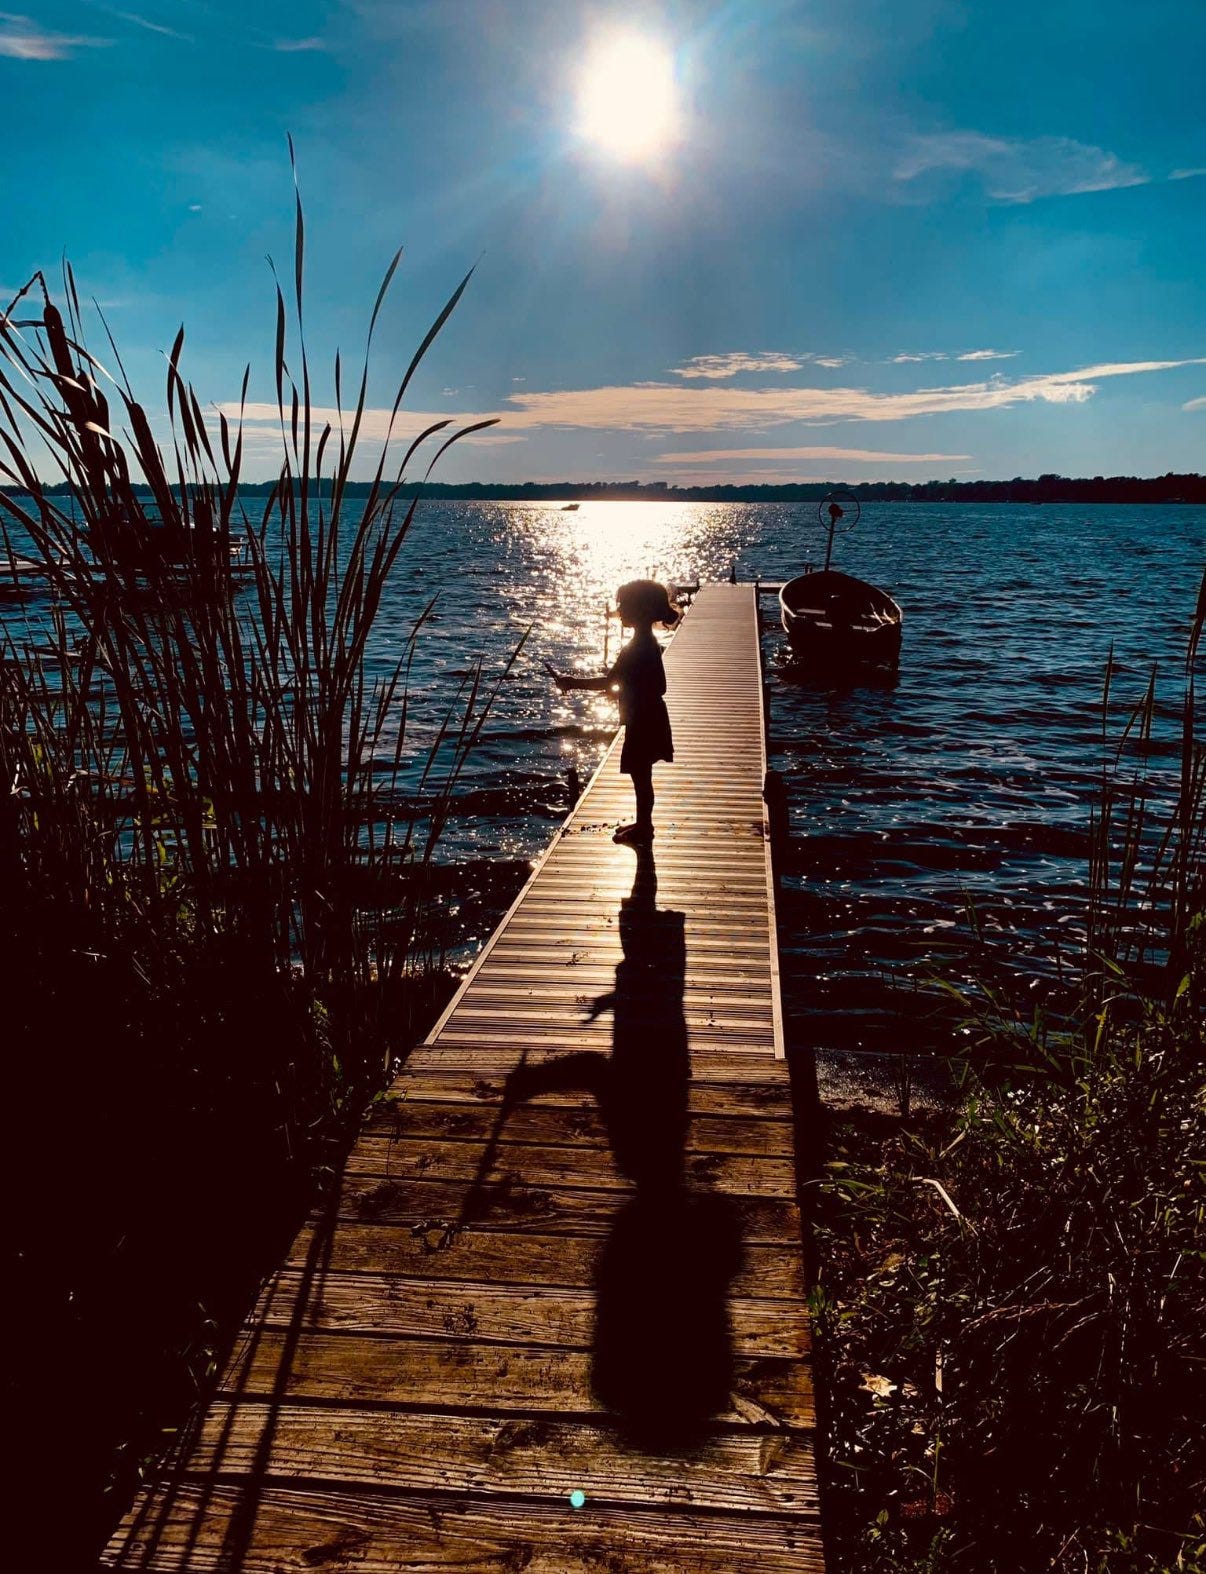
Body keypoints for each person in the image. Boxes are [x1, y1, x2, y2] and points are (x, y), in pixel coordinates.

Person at [544, 579, 680, 844]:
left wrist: (572, 682)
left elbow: (610, 681)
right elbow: (654, 684)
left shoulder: (636, 647)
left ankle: (645, 828)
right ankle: (643, 823)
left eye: (624, 605)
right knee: (642, 776)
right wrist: (629, 688)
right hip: (650, 716)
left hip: (643, 720)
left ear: (641, 610)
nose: (619, 610)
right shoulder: (648, 642)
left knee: (641, 777)